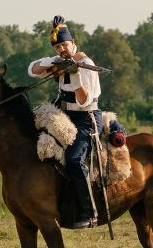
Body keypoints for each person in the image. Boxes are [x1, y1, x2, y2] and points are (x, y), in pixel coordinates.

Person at [29, 15, 103, 229]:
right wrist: (53, 63)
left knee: (73, 160)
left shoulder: (86, 64)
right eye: (58, 46)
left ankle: (89, 211)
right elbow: (32, 70)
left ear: (73, 43)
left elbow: (84, 100)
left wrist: (75, 74)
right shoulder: (59, 61)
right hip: (65, 116)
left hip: (86, 119)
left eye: (65, 44)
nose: (62, 48)